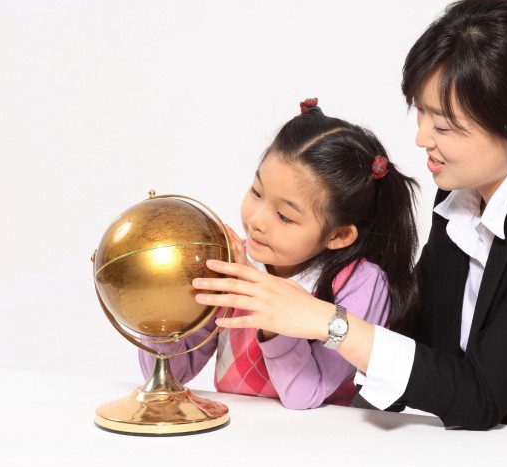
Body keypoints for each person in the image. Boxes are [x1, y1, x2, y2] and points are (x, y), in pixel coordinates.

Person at [192, 0, 507, 444]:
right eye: (421, 113)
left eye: (446, 125)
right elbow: (421, 346)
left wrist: (326, 321)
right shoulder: (461, 193)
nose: (421, 139)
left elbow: (479, 394)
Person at [140, 98, 419, 409]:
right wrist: (163, 298)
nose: (257, 221)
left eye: (285, 217)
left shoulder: (360, 283)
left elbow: (303, 397)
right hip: (236, 430)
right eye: (256, 192)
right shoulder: (233, 261)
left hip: (321, 434)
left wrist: (268, 312)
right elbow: (170, 374)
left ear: (338, 235)